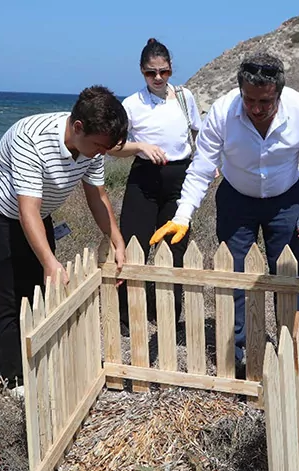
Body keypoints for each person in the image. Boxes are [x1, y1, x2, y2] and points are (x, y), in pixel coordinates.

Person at [150, 52, 299, 370]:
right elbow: (203, 166)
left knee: (288, 276)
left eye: (266, 101)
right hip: (236, 198)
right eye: (250, 100)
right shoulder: (223, 112)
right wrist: (183, 215)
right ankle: (237, 351)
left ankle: (291, 348)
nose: (257, 109)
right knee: (234, 276)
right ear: (240, 92)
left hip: (286, 199)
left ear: (279, 93)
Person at [0, 86, 128, 389]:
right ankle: (15, 382)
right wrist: (49, 261)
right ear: (78, 127)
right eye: (98, 146)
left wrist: (116, 239)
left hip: (36, 216)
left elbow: (97, 195)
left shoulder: (94, 144)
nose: (101, 154)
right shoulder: (30, 137)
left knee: (40, 292)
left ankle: (37, 359)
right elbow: (27, 207)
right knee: (11, 297)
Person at [109, 38, 201, 325]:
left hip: (179, 179)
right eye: (151, 72)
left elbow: (198, 135)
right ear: (141, 71)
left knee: (174, 248)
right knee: (135, 245)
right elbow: (112, 147)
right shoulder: (131, 104)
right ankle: (127, 315)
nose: (158, 78)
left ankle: (168, 315)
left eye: (164, 71)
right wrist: (140, 147)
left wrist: (207, 165)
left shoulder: (186, 98)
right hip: (144, 179)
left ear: (171, 69)